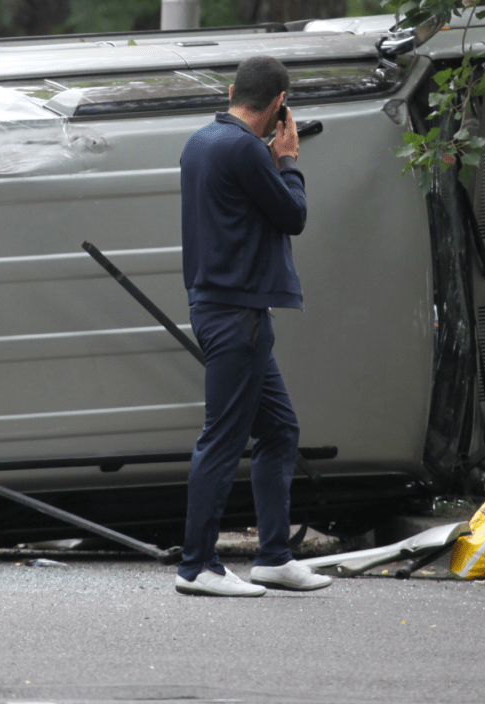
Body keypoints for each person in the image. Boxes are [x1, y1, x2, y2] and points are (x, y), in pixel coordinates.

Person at [174, 55, 332, 597]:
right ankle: (196, 566)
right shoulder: (246, 150)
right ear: (279, 104)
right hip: (235, 314)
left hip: (223, 309)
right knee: (221, 438)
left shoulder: (202, 142)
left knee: (279, 428)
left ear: (231, 90)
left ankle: (273, 557)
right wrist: (288, 160)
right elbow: (293, 215)